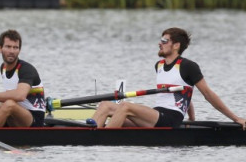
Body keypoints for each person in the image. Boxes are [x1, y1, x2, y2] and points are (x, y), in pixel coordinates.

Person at [89, 27, 246, 129]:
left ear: (176, 45)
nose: (160, 43)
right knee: (105, 105)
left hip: (170, 119)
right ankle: (89, 132)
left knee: (125, 107)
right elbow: (184, 93)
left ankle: (101, 139)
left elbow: (208, 94)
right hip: (156, 115)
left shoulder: (188, 66)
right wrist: (191, 119)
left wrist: (236, 118)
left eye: (164, 41)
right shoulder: (159, 65)